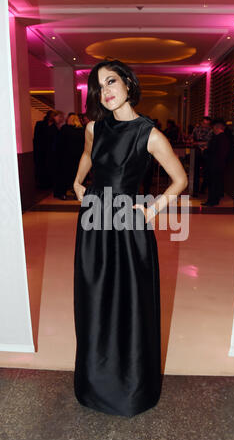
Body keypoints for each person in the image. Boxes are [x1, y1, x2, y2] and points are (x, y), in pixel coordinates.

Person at [72, 59, 188, 417]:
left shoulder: (149, 134)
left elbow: (179, 180)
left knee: (130, 303)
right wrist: (78, 183)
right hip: (93, 224)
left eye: (111, 82)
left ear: (127, 84)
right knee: (93, 299)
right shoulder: (94, 127)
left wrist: (150, 211)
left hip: (127, 227)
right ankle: (94, 382)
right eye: (99, 86)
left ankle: (130, 387)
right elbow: (89, 155)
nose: (105, 91)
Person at [53, 114, 85, 200]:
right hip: (78, 157)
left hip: (66, 157)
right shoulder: (82, 130)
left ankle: (62, 193)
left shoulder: (65, 129)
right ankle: (76, 194)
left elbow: (59, 143)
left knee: (64, 176)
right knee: (76, 176)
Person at [201, 120, 231, 206]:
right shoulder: (225, 138)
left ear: (217, 128)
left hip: (214, 164)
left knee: (213, 184)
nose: (213, 129)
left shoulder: (217, 138)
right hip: (220, 164)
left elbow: (212, 151)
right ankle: (215, 200)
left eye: (214, 127)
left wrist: (205, 150)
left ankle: (211, 201)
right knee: (216, 183)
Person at [192, 116, 212, 196]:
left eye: (207, 124)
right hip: (196, 152)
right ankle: (195, 191)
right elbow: (192, 139)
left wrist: (197, 143)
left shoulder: (211, 130)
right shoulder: (196, 128)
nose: (205, 126)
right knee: (195, 172)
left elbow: (209, 142)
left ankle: (203, 189)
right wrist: (198, 143)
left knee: (206, 172)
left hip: (207, 153)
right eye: (204, 123)